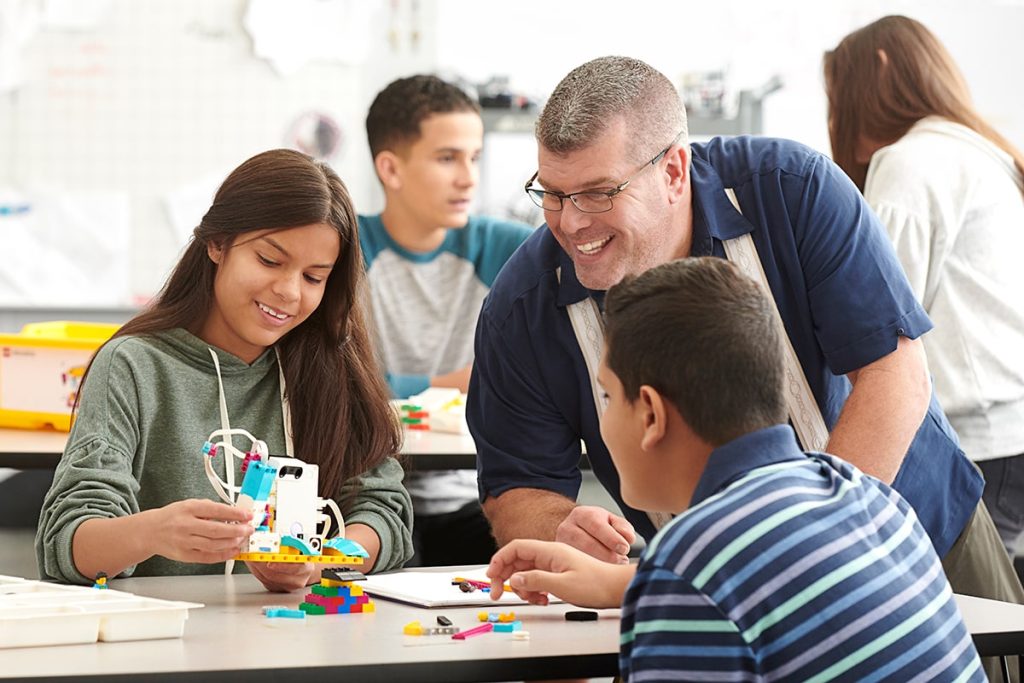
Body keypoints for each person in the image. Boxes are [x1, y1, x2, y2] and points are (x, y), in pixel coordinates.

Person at [468, 56, 1021, 605]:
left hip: (917, 527)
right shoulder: (522, 308)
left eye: (597, 193)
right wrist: (559, 527)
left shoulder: (793, 192)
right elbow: (518, 483)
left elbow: (893, 373)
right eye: (553, 194)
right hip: (714, 589)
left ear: (674, 171)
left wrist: (800, 551)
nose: (570, 222)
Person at [487, 257, 984, 682]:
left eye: (608, 397)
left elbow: (710, 584)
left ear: (652, 416)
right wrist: (628, 585)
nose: (603, 418)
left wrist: (663, 586)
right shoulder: (872, 498)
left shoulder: (691, 566)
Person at [36, 149, 414, 591]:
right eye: (270, 261)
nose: (289, 292)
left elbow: (385, 514)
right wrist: (153, 532)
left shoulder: (333, 365)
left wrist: (320, 561)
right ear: (217, 243)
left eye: (314, 277)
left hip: (298, 639)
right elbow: (67, 542)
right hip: (166, 642)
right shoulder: (133, 365)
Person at [825, 15, 1024, 582]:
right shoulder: (982, 152)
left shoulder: (911, 161)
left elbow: (874, 311)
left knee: (962, 617)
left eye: (840, 92)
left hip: (977, 436)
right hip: (1013, 425)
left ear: (881, 71)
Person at [359, 75, 533, 565]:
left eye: (474, 158)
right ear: (390, 169)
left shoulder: (512, 248)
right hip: (367, 504)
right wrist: (453, 383)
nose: (468, 178)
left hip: (476, 500)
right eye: (447, 158)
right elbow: (343, 389)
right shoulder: (341, 251)